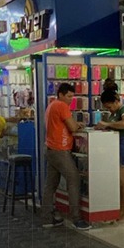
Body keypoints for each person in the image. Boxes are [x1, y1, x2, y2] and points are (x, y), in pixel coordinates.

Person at [39, 83, 92, 230]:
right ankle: (76, 218)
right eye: (69, 96)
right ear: (61, 94)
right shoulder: (62, 106)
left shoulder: (51, 106)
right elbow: (73, 127)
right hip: (60, 150)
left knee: (50, 185)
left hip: (51, 148)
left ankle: (47, 218)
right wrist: (78, 125)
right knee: (74, 178)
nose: (71, 99)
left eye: (72, 96)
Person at [96, 80, 124, 223]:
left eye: (110, 106)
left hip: (122, 146)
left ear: (116, 101)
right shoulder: (115, 113)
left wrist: (107, 124)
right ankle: (120, 211)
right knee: (118, 181)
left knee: (123, 181)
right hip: (114, 147)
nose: (110, 110)